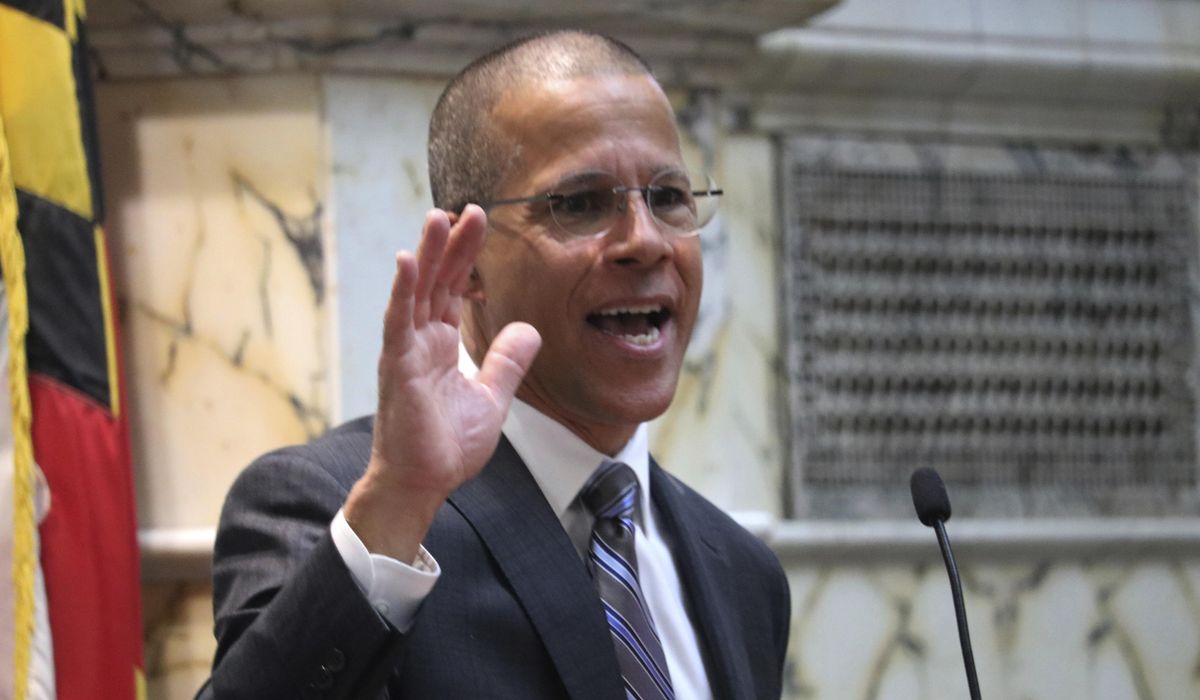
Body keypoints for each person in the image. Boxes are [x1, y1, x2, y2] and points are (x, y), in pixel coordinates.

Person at [197, 30, 790, 700]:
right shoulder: (337, 509)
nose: (645, 241)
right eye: (580, 203)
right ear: (467, 258)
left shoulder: (744, 573)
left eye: (668, 197)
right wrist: (399, 501)